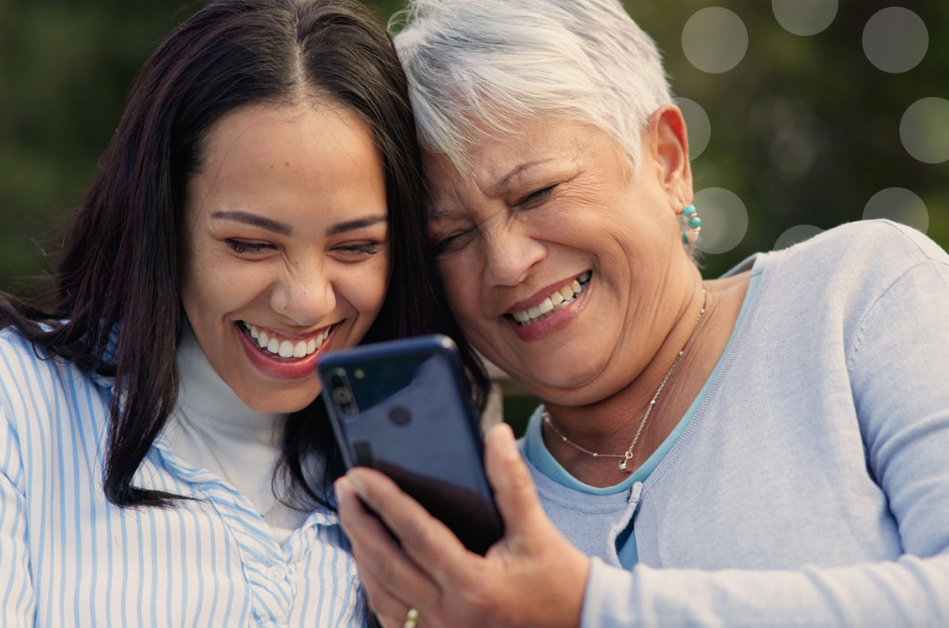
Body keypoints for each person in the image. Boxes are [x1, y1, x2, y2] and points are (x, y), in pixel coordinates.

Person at [334, 0, 949, 625]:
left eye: (536, 192)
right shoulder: (471, 532)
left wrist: (587, 608)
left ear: (666, 160)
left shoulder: (860, 293)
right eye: (450, 239)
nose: (506, 264)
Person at [0, 0, 486, 625]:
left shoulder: (412, 449)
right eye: (250, 245)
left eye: (355, 247)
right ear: (163, 225)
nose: (306, 301)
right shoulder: (8, 403)